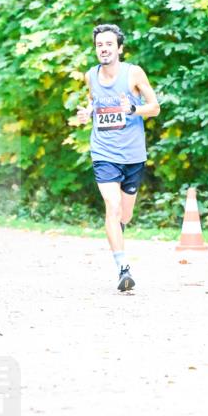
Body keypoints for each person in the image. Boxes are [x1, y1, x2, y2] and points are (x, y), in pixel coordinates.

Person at [76, 23, 159, 292]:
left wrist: (133, 108)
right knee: (111, 207)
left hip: (133, 154)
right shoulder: (91, 75)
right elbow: (95, 101)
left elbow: (155, 108)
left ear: (119, 48)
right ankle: (123, 269)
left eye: (109, 44)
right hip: (104, 151)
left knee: (125, 214)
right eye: (100, 45)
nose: (104, 49)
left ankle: (117, 234)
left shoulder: (133, 73)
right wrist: (87, 113)